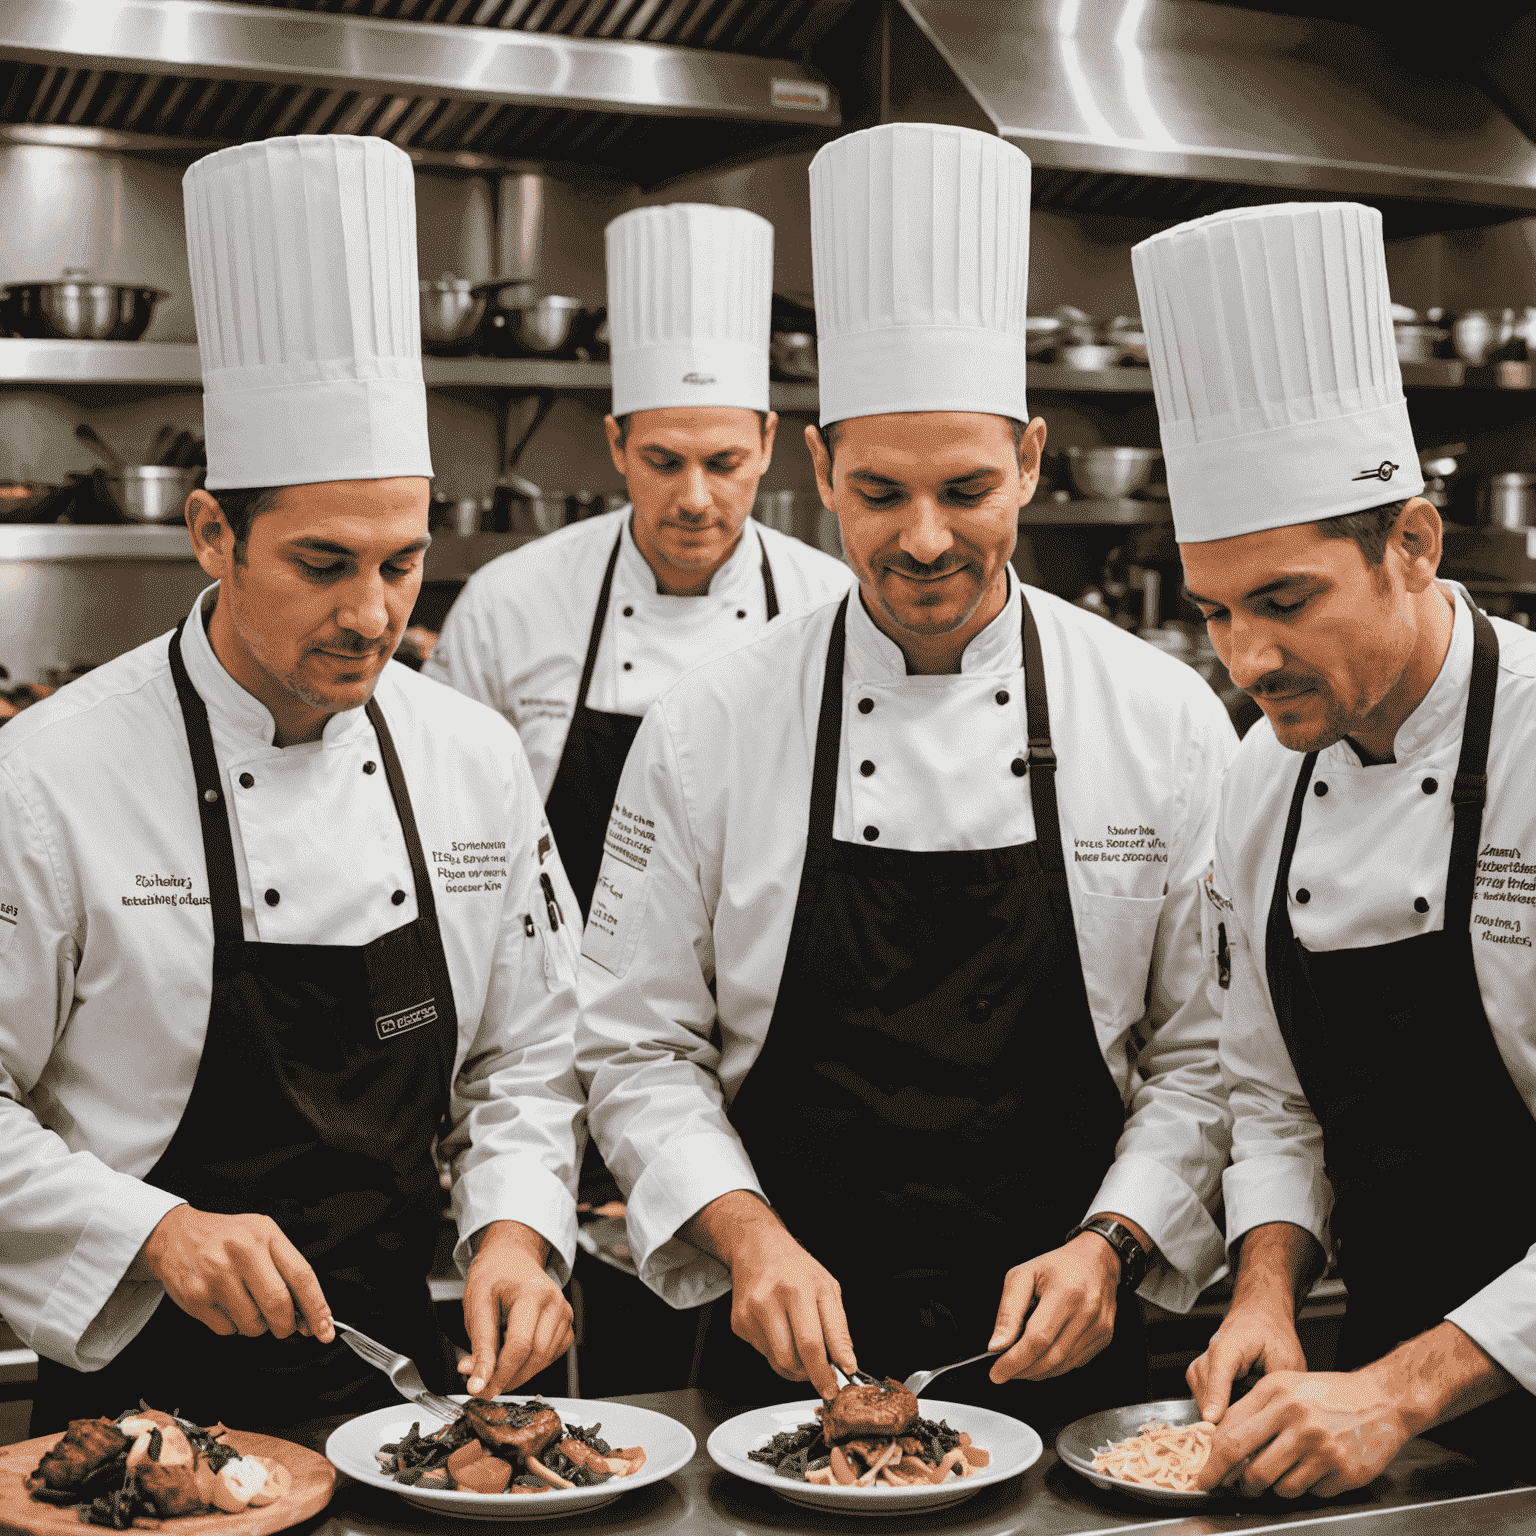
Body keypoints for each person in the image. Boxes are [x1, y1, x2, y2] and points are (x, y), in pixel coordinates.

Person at [577, 123, 1236, 1429]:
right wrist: (743, 1234)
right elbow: (638, 1043)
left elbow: (1213, 1058)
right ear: (818, 472)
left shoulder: (1161, 720)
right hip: (779, 1372)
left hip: (1071, 1366)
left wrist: (1119, 1240)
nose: (925, 539)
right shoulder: (710, 724)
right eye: (879, 492)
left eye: (969, 488)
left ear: (1035, 463)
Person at [0, 135, 584, 1433]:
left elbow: (528, 1054)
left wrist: (515, 1227)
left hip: (405, 1405)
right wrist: (151, 1230)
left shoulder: (470, 757)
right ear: (213, 534)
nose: (373, 617)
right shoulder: (47, 779)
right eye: (324, 564)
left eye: (402, 564)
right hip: (140, 1419)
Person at [1133, 201, 1536, 1495]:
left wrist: (1403, 1388)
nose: (1246, 662)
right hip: (1383, 1409)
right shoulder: (1259, 777)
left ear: (1412, 544)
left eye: (1286, 603)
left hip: (1412, 1390)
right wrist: (1266, 1291)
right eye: (1214, 614)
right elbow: (1273, 1095)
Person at [426, 202, 853, 923]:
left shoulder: (832, 604)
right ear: (617, 445)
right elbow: (446, 819)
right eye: (662, 461)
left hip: (769, 992)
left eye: (724, 463)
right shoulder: (509, 602)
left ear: (770, 442)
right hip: (558, 1007)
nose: (694, 498)